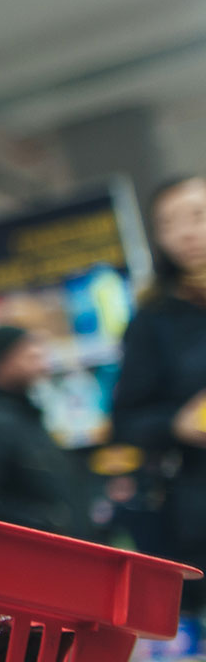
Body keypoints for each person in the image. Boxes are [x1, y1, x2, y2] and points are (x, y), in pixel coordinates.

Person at [113, 175, 206, 603]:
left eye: (198, 216)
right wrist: (177, 424)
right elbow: (126, 420)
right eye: (169, 224)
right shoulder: (154, 321)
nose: (185, 233)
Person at [0, 326, 83, 535]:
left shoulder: (23, 411)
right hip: (28, 543)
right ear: (4, 360)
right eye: (29, 356)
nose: (41, 365)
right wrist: (42, 522)